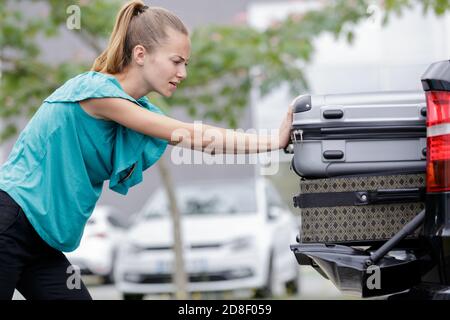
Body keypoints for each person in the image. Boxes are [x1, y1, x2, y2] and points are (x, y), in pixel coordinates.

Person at [0, 1, 293, 300]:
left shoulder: (133, 110)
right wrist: (274, 140)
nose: (183, 73)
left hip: (42, 239)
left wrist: (275, 141)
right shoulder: (98, 93)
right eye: (176, 61)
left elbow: (205, 141)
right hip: (9, 220)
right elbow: (198, 137)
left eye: (186, 64)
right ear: (141, 54)